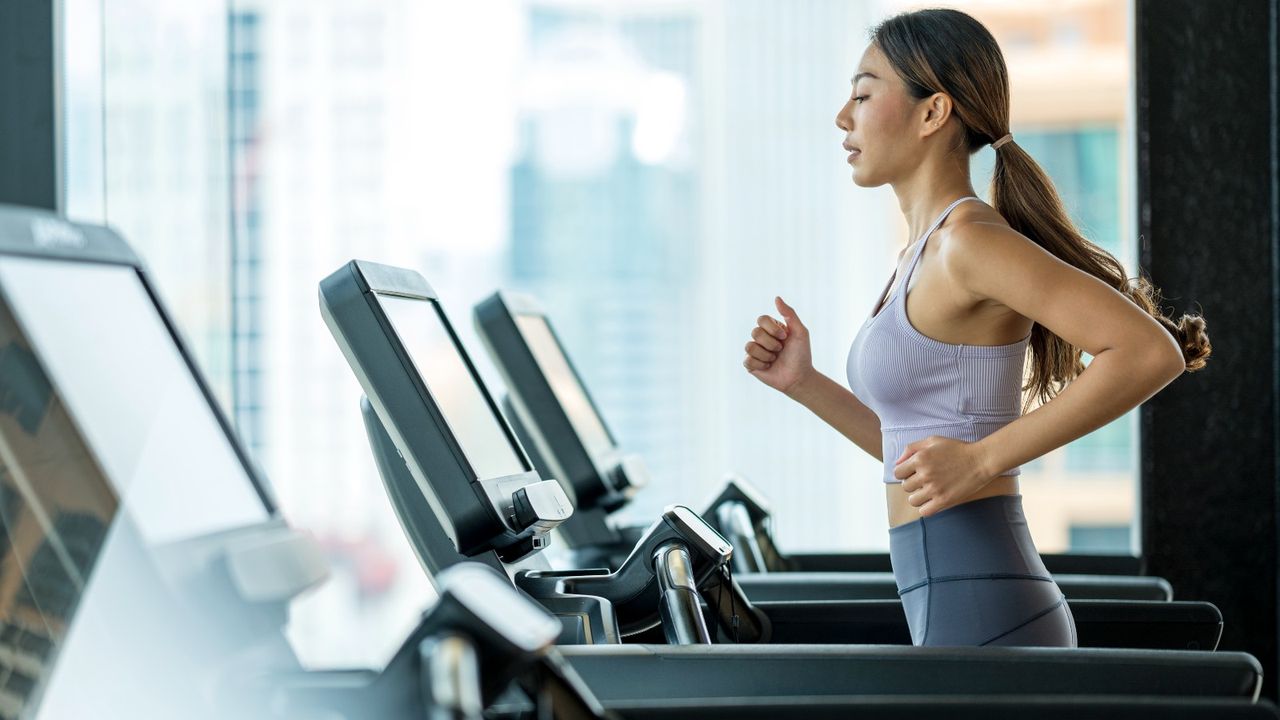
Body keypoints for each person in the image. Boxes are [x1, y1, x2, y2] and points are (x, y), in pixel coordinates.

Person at [741, 8, 1211, 647]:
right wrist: (804, 382)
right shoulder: (922, 252)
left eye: (862, 93)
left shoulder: (968, 242)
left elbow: (1150, 352)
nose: (842, 117)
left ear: (933, 113)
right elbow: (913, 455)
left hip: (988, 611)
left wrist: (984, 459)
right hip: (956, 599)